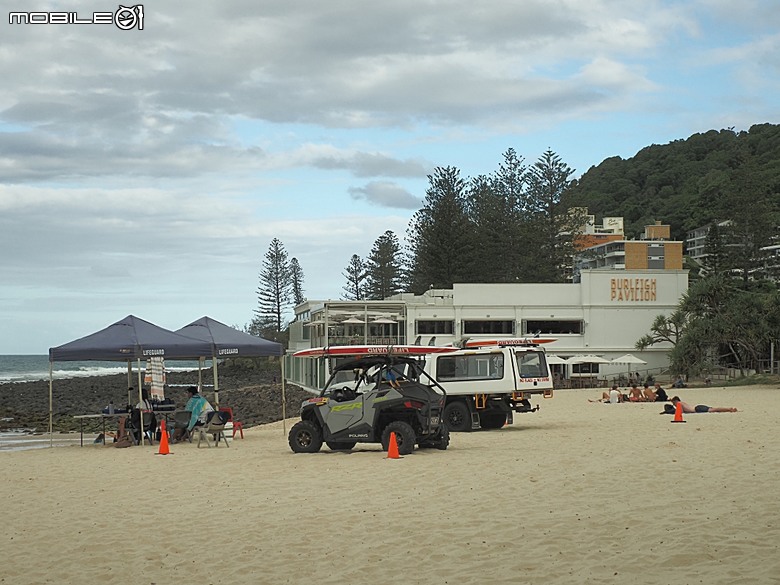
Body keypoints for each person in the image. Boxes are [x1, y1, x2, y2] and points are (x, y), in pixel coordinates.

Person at [670, 396, 737, 413]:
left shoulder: (679, 403)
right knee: (714, 409)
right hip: (697, 407)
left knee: (714, 410)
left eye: (674, 403)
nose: (674, 405)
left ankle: (729, 409)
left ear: (676, 401)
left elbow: (681, 412)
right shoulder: (682, 402)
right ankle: (728, 409)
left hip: (697, 409)